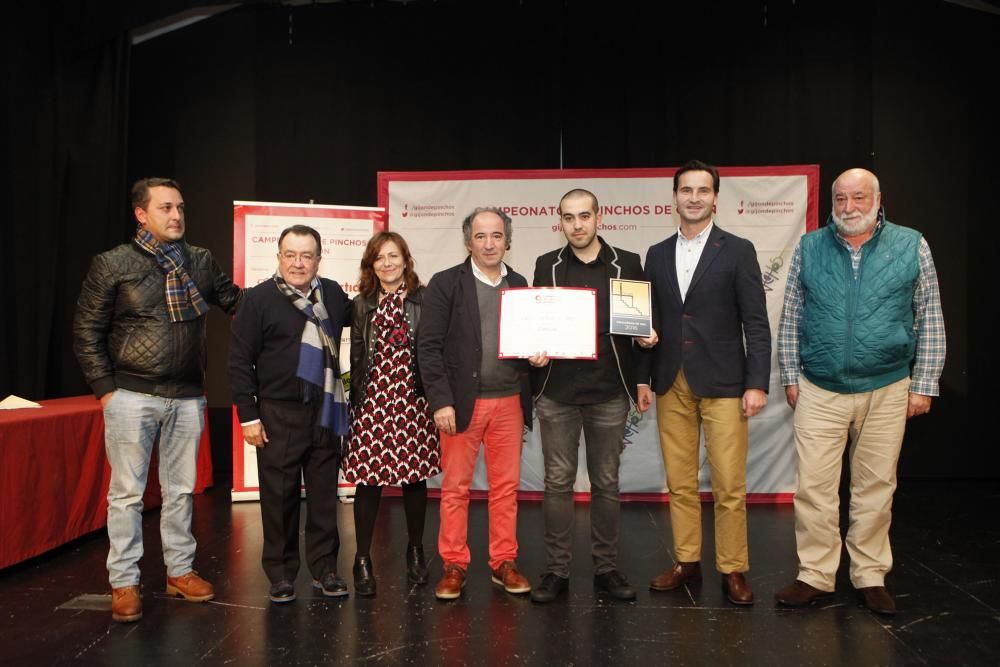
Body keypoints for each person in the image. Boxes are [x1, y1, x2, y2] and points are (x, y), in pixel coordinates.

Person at [773, 168, 945, 616]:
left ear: (878, 198)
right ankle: (815, 575)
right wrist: (791, 376)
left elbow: (930, 316)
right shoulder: (810, 247)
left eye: (858, 197)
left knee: (875, 487)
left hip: (887, 386)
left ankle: (869, 575)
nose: (848, 207)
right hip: (820, 387)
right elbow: (792, 315)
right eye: (841, 198)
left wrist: (924, 383)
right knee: (814, 488)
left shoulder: (911, 244)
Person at [73, 177, 242, 623]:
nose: (176, 216)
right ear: (141, 214)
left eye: (180, 208)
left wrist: (291, 290)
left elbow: (236, 302)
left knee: (181, 491)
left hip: (187, 396)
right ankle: (124, 582)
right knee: (127, 495)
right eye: (166, 208)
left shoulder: (200, 261)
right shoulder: (113, 264)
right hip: (131, 395)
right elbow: (86, 332)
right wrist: (107, 391)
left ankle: (179, 571)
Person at [637, 160, 771, 606]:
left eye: (702, 190)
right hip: (670, 379)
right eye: (685, 190)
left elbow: (755, 322)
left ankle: (733, 568)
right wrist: (644, 371)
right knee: (680, 481)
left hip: (726, 383)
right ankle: (687, 561)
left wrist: (757, 382)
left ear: (716, 198)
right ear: (673, 197)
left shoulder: (738, 250)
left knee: (730, 484)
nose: (693, 197)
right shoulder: (655, 254)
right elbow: (648, 321)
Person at [528, 189, 657, 603]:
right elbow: (536, 326)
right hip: (557, 393)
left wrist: (648, 343)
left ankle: (606, 568)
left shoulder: (627, 263)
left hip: (608, 393)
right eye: (569, 218)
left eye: (584, 216)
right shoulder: (546, 266)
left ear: (599, 217)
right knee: (557, 483)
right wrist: (534, 350)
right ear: (559, 221)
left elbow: (639, 331)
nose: (577, 225)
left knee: (606, 483)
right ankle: (556, 570)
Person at [229, 224, 351, 604]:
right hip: (277, 413)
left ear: (318, 258)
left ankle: (325, 569)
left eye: (307, 255)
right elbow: (238, 362)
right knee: (278, 498)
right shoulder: (258, 299)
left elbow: (365, 321)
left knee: (322, 497)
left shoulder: (332, 293)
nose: (299, 263)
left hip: (323, 411)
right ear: (279, 257)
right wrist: (248, 416)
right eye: (291, 255)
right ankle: (281, 574)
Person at [417, 207, 533, 600]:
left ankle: (504, 562)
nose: (489, 243)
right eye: (481, 236)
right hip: (461, 405)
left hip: (510, 402)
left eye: (497, 236)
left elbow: (529, 339)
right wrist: (441, 401)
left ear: (508, 241)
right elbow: (428, 347)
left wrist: (539, 353)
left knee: (506, 489)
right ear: (468, 241)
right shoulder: (446, 283)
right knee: (455, 489)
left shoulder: (520, 283)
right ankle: (454, 564)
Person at [342, 231, 440, 596]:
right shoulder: (361, 303)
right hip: (372, 400)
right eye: (379, 257)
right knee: (368, 481)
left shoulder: (424, 299)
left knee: (414, 480)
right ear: (371, 264)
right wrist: (354, 400)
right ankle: (362, 558)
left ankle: (415, 550)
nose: (387, 263)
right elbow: (355, 356)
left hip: (413, 400)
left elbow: (434, 350)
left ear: (405, 260)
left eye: (393, 256)